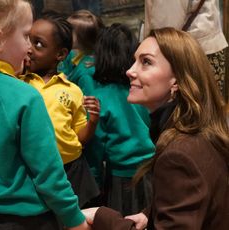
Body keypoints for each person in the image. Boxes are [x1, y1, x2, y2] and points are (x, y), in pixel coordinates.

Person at [82, 27, 229, 230]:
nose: (130, 71)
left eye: (146, 62)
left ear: (176, 80)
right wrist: (147, 213)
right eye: (135, 60)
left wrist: (102, 216)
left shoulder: (179, 155)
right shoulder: (196, 132)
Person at [0, 0, 90, 229]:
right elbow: (48, 173)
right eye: (26, 36)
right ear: (1, 39)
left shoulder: (70, 89)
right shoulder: (24, 96)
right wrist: (74, 220)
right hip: (24, 219)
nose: (28, 47)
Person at [19, 11, 100, 208]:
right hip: (33, 169)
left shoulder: (72, 90)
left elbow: (79, 136)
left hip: (71, 169)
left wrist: (93, 121)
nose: (29, 48)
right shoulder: (19, 83)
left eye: (38, 44)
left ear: (61, 54)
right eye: (27, 40)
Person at [82, 23, 155, 216]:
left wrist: (95, 182)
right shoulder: (145, 91)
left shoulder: (100, 98)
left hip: (120, 179)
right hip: (151, 171)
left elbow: (96, 147)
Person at [144, 0, 228, 94]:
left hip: (186, 56)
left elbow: (165, 29)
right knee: (207, 104)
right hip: (207, 48)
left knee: (187, 105)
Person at [58, 9, 104, 96]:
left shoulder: (85, 75)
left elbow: (90, 102)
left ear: (82, 39)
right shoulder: (76, 55)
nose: (64, 33)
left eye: (68, 31)